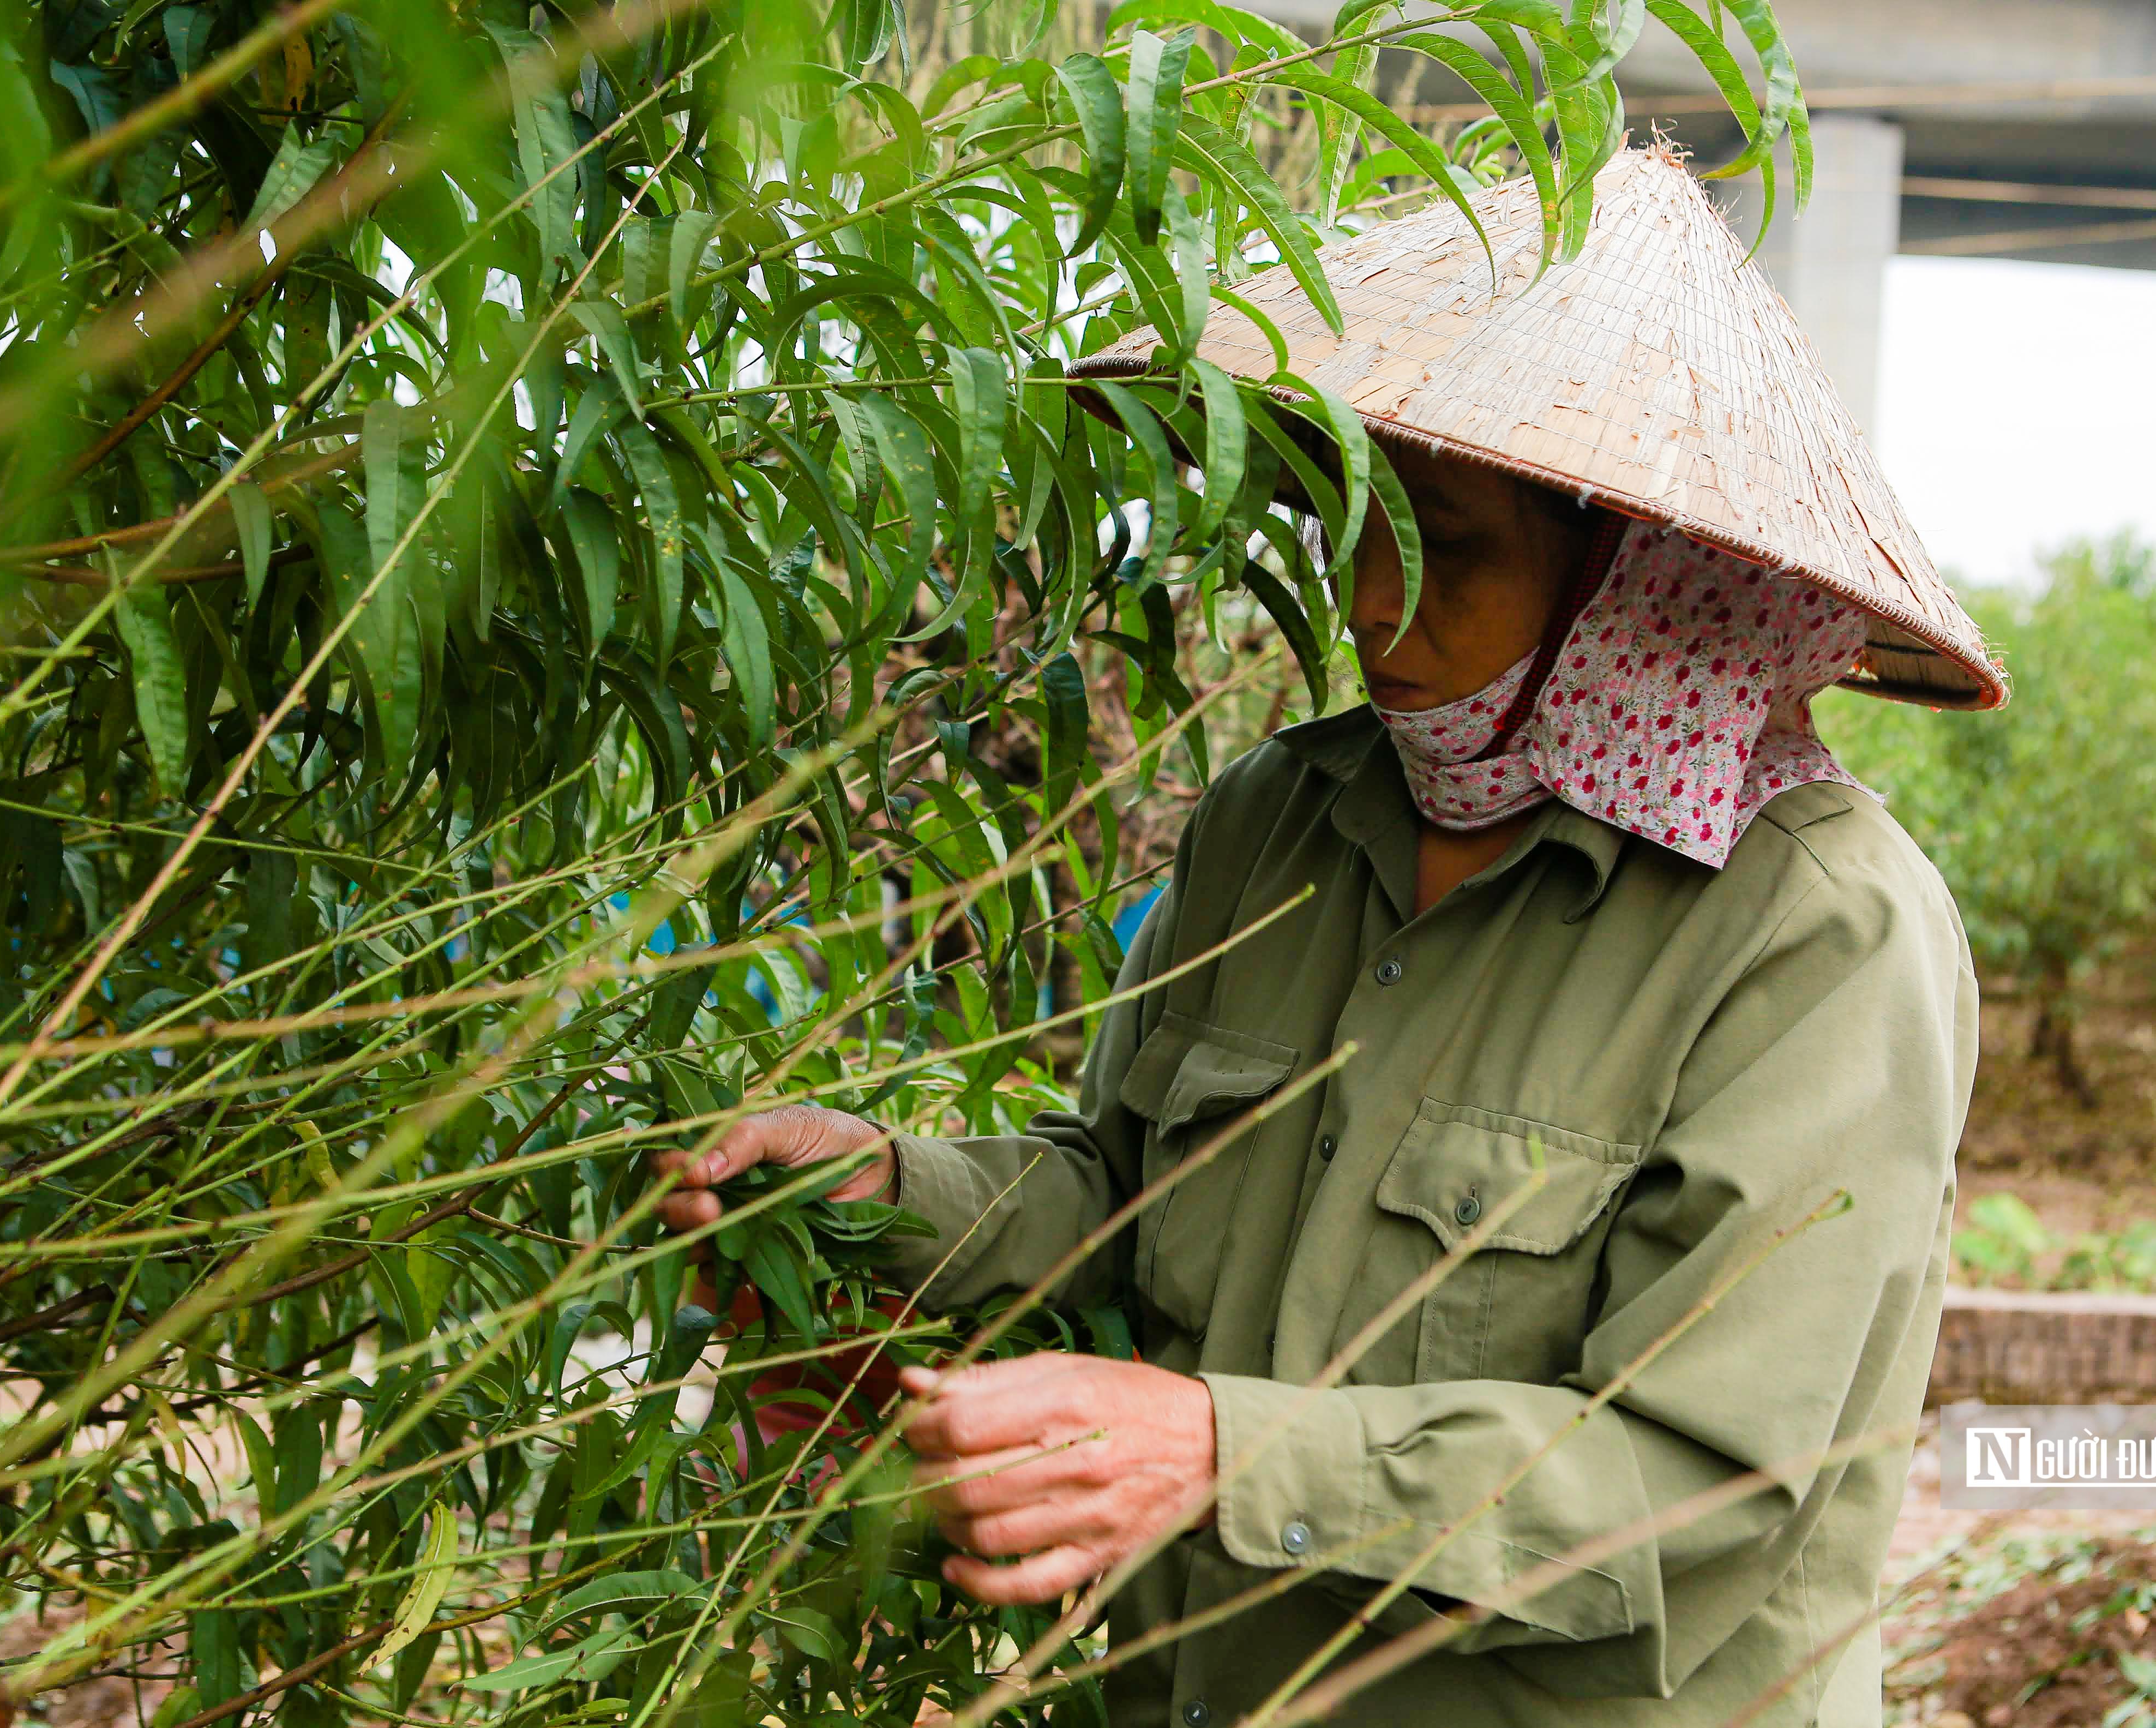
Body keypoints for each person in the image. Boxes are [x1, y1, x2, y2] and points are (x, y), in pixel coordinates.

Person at [656, 147, 2003, 1726]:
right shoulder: (1278, 818)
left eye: (1448, 544)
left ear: (1638, 575)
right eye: (1353, 521)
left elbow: (1701, 1480)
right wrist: (885, 1191)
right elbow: (1118, 1194)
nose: (1369, 601)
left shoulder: (1812, 931)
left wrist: (1220, 1452)